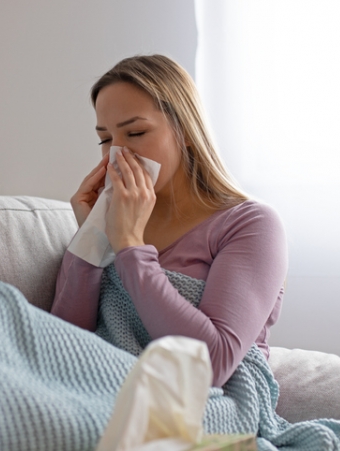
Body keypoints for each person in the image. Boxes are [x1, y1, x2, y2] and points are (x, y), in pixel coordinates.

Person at [51, 54, 288, 387]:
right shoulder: (108, 220)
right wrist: (94, 236)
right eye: (105, 139)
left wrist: (129, 246)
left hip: (195, 403)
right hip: (98, 386)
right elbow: (59, 352)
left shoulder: (251, 224)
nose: (118, 154)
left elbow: (212, 365)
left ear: (185, 131)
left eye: (135, 132)